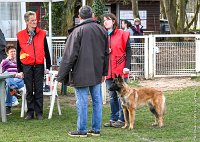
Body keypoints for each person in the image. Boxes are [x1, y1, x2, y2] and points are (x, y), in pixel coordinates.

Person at [57, 5, 109, 137]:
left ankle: (82, 130)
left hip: (81, 73)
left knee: (82, 102)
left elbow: (69, 56)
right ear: (92, 15)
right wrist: (104, 72)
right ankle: (96, 129)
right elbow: (106, 54)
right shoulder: (102, 30)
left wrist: (60, 76)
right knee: (97, 101)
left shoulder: (77, 31)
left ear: (79, 17)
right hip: (97, 73)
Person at [16, 11, 51, 120]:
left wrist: (48, 66)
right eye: (32, 20)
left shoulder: (42, 34)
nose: (35, 22)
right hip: (27, 66)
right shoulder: (21, 35)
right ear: (26, 22)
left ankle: (39, 112)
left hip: (39, 66)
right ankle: (30, 112)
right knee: (29, 90)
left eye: (35, 20)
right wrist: (19, 69)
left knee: (39, 89)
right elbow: (18, 54)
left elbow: (46, 50)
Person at [103, 13, 131, 128]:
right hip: (108, 71)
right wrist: (106, 51)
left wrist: (127, 66)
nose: (105, 22)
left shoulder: (122, 34)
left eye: (108, 20)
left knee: (123, 96)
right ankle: (113, 118)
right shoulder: (103, 35)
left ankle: (122, 119)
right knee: (112, 96)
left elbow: (128, 51)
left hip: (120, 71)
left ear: (113, 21)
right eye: (104, 20)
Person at [1, 44, 24, 115]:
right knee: (8, 76)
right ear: (7, 53)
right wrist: (12, 75)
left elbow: (25, 72)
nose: (13, 53)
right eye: (11, 51)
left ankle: (8, 106)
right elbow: (1, 72)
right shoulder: (5, 61)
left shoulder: (20, 61)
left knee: (9, 84)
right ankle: (14, 90)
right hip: (9, 80)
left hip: (19, 81)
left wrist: (21, 74)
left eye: (14, 51)